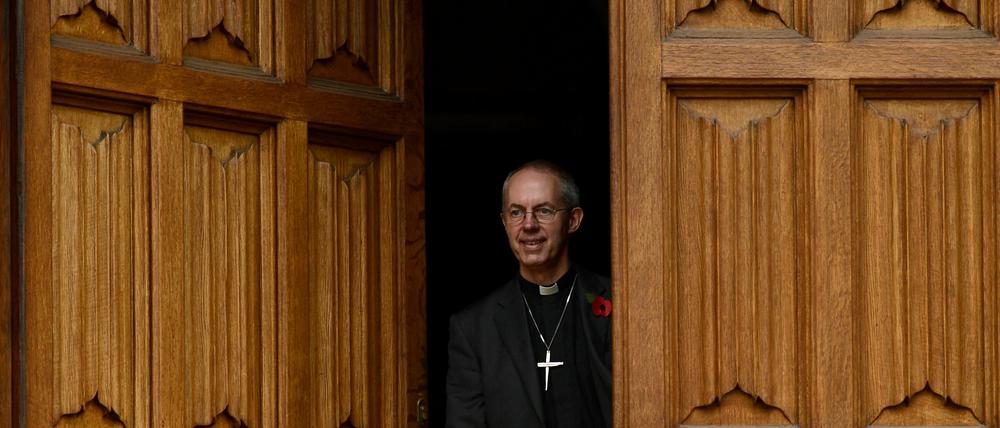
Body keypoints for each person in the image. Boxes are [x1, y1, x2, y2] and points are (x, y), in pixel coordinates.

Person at [446, 160, 612, 428]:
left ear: (573, 220)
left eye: (544, 211)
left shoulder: (620, 304)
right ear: (504, 222)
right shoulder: (473, 328)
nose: (529, 224)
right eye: (516, 213)